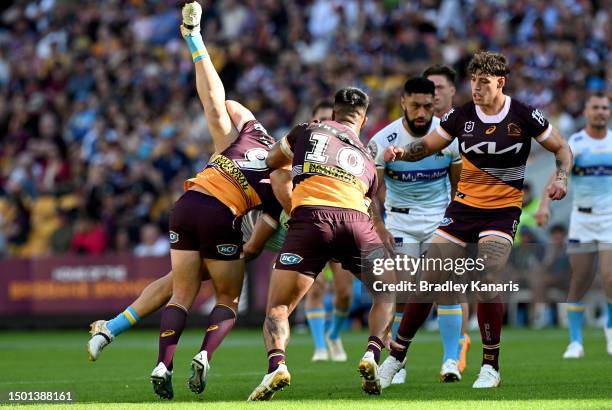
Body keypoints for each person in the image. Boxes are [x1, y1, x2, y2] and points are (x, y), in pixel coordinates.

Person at [378, 51, 572, 388]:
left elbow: (562, 149)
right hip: (464, 209)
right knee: (428, 281)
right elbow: (427, 146)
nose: (477, 88)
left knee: (486, 279)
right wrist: (401, 153)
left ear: (500, 82)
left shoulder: (525, 115)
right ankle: (395, 358)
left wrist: (561, 179)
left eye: (484, 82)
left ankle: (490, 366)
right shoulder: (461, 116)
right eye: (473, 81)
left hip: (503, 210)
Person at [148, 2, 283, 399]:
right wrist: (247, 251)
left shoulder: (251, 136)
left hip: (186, 203)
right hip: (221, 214)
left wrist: (198, 45)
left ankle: (162, 363)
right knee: (227, 298)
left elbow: (221, 104)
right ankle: (205, 355)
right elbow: (262, 235)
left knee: (180, 295)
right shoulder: (281, 177)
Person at [248, 87, 393, 400]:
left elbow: (272, 161)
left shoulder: (307, 129)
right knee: (387, 293)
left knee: (278, 307)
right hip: (356, 220)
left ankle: (277, 366)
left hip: (311, 219)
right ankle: (371, 354)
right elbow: (369, 205)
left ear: (333, 113)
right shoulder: (368, 158)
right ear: (364, 119)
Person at [369, 76, 463, 383]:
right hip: (401, 222)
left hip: (440, 220)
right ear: (403, 103)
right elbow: (371, 190)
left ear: (434, 102)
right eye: (415, 106)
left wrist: (458, 225)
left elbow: (458, 185)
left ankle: (450, 360)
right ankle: (399, 363)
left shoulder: (448, 136)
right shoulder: (384, 138)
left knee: (447, 291)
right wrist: (379, 225)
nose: (421, 112)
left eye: (427, 105)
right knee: (406, 295)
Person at [536, 92, 612, 358]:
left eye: (604, 107)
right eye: (596, 107)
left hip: (609, 219)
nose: (600, 111)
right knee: (579, 279)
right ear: (587, 112)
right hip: (582, 219)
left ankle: (610, 332)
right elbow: (558, 173)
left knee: (609, 276)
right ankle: (575, 341)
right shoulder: (576, 143)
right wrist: (544, 206)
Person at [424, 64, 472, 374]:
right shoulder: (418, 126)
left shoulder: (467, 124)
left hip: (459, 215)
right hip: (413, 217)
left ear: (453, 90)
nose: (434, 94)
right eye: (429, 89)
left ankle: (456, 348)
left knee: (451, 285)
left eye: (439, 88)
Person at [300, 100, 356, 363]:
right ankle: (320, 346)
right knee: (316, 287)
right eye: (319, 120)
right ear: (312, 122)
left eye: (328, 119)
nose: (324, 125)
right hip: (313, 224)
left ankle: (334, 335)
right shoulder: (302, 148)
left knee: (344, 293)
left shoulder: (348, 150)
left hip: (343, 225)